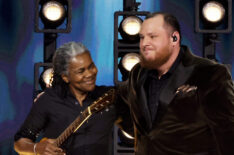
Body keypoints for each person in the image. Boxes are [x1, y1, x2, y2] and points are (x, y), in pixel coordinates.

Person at [118, 12, 234, 155]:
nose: (144, 43)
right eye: (142, 37)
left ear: (174, 38)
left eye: (153, 36)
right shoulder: (138, 72)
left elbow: (228, 132)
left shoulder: (210, 73)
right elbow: (122, 103)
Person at [14, 42, 131, 155]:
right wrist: (36, 148)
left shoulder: (109, 96)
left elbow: (138, 131)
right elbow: (20, 142)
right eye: (81, 71)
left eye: (91, 66)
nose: (90, 74)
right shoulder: (49, 100)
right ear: (66, 77)